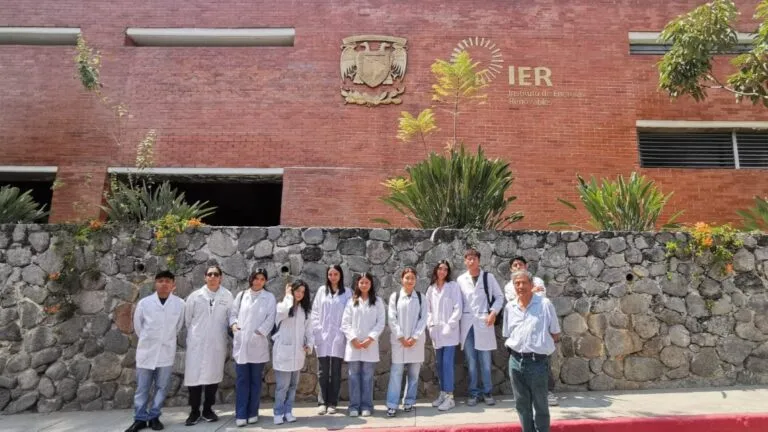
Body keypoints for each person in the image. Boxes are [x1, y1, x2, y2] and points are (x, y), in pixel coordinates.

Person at [125, 270, 185, 432]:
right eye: (160, 281)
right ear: (155, 283)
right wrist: (150, 339)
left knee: (162, 387)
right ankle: (140, 418)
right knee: (142, 388)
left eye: (167, 281)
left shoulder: (180, 304)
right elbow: (138, 326)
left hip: (166, 352)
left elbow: (178, 326)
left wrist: (165, 339)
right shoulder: (144, 303)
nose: (164, 284)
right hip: (147, 351)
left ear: (173, 284)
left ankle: (154, 417)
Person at [503, 270, 561, 432]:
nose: (520, 286)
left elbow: (555, 333)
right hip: (515, 361)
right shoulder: (510, 307)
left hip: (538, 362)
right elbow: (508, 333)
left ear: (532, 284)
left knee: (540, 404)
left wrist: (538, 346)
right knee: (521, 404)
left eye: (524, 283)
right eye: (517, 283)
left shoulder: (544, 304)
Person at [183, 264, 233, 426]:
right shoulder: (195, 296)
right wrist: (198, 334)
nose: (212, 277)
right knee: (194, 378)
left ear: (220, 278)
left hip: (216, 343)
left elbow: (231, 317)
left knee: (213, 377)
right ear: (205, 277)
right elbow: (188, 320)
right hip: (197, 343)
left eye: (216, 274)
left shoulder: (227, 296)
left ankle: (207, 410)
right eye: (210, 274)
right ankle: (194, 411)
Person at [229, 268, 276, 427]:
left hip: (258, 344)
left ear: (265, 281)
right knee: (242, 380)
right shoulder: (242, 295)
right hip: (242, 343)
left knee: (256, 381)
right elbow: (233, 314)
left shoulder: (269, 297)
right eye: (256, 278)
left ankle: (253, 412)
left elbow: (270, 318)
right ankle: (241, 413)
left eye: (262, 279)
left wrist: (259, 332)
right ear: (251, 279)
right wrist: (234, 325)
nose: (258, 282)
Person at [457, 247, 504, 406]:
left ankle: (487, 392)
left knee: (485, 361)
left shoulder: (488, 278)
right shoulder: (460, 280)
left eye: (474, 258)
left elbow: (499, 297)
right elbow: (457, 302)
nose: (471, 261)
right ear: (465, 261)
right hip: (467, 323)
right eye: (468, 258)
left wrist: (493, 313)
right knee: (471, 361)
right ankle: (473, 393)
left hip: (485, 321)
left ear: (479, 260)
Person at [340, 272, 386, 417]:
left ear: (371, 284)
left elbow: (381, 322)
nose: (364, 285)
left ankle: (367, 405)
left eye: (367, 282)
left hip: (369, 345)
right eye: (361, 282)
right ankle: (354, 406)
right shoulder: (351, 301)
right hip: (353, 345)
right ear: (357, 284)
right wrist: (353, 338)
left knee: (367, 377)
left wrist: (370, 338)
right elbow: (345, 323)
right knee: (353, 376)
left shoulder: (377, 302)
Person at [385, 267, 428, 417]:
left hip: (416, 342)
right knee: (396, 373)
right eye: (407, 278)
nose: (410, 281)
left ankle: (409, 401)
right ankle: (392, 404)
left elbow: (424, 319)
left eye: (412, 278)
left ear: (416, 280)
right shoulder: (395, 297)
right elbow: (392, 318)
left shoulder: (421, 297)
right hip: (399, 342)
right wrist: (401, 337)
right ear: (402, 279)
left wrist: (415, 337)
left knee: (414, 374)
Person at [311, 265, 351, 415]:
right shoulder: (322, 291)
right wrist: (317, 330)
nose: (333, 277)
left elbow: (349, 314)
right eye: (330, 274)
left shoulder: (347, 292)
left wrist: (342, 333)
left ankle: (333, 402)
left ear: (340, 275)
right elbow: (315, 312)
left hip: (338, 336)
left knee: (335, 371)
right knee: (322, 371)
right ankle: (322, 402)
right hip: (322, 336)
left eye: (335, 274)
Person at [272, 279, 314, 425]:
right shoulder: (282, 306)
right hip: (283, 353)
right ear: (291, 291)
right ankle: (278, 412)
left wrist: (309, 345)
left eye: (303, 292)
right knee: (282, 387)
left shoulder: (305, 311)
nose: (300, 294)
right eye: (297, 290)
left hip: (298, 353)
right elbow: (283, 310)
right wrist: (288, 296)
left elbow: (309, 331)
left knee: (293, 386)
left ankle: (288, 411)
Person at [425, 260, 462, 412]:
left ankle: (450, 397)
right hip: (436, 333)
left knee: (447, 364)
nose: (443, 271)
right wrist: (430, 325)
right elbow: (428, 310)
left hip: (450, 332)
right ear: (436, 270)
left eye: (445, 269)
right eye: (440, 268)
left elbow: (458, 307)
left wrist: (450, 325)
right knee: (439, 365)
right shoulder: (431, 289)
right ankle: (443, 393)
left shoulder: (453, 287)